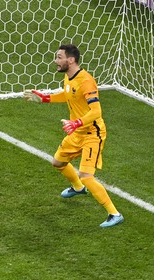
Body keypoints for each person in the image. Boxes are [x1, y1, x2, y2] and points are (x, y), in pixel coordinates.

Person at [24, 44, 124, 228]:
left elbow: (96, 111)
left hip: (92, 133)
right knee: (58, 163)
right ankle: (78, 188)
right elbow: (68, 95)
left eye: (59, 57)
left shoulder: (86, 81)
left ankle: (114, 214)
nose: (56, 61)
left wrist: (76, 122)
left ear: (71, 60)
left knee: (86, 175)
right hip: (76, 132)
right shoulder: (69, 78)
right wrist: (46, 98)